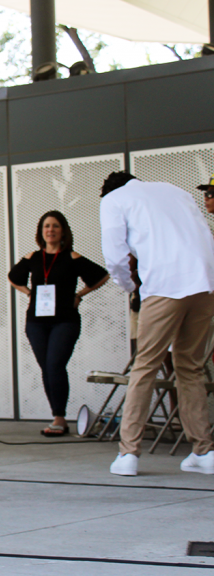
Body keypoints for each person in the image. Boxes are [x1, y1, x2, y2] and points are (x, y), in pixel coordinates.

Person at [100, 171, 214, 476]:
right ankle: (204, 451)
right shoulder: (175, 189)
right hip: (205, 284)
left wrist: (129, 286)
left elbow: (114, 255)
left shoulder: (114, 200)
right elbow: (205, 234)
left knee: (145, 366)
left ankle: (128, 455)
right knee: (190, 367)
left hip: (165, 285)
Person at [8, 211, 109, 436]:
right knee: (47, 368)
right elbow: (13, 277)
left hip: (64, 320)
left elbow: (101, 276)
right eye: (46, 226)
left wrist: (79, 294)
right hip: (36, 322)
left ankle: (59, 418)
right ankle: (58, 417)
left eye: (55, 226)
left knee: (54, 365)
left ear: (63, 231)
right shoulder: (33, 257)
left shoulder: (71, 257)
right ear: (40, 231)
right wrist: (29, 293)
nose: (50, 230)